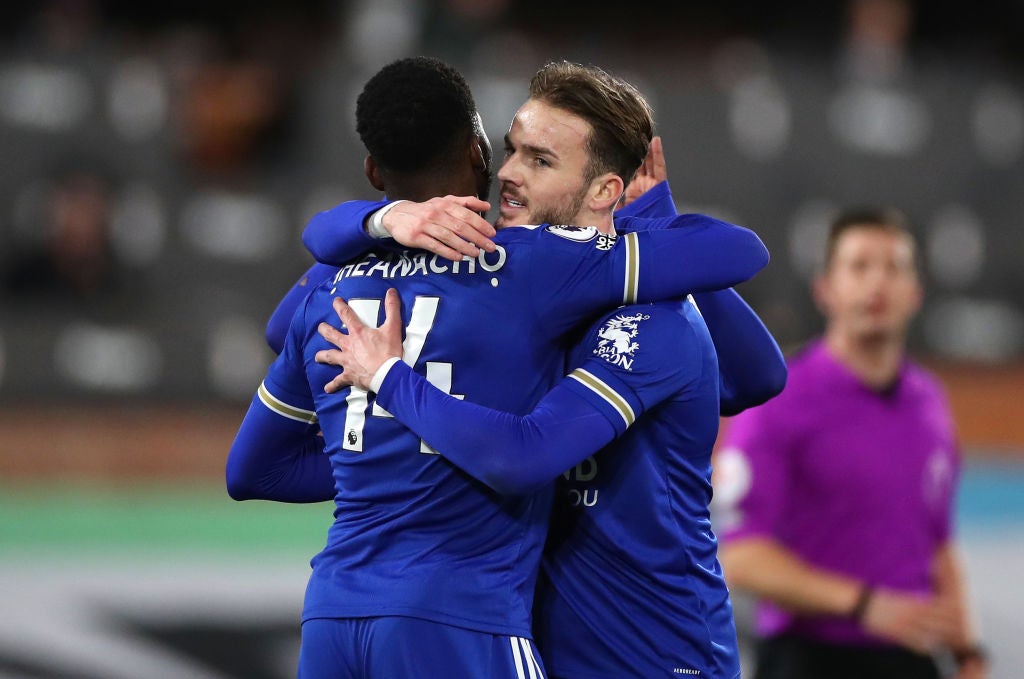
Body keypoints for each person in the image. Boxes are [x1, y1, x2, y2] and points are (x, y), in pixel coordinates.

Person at [227, 57, 769, 678]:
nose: (508, 174)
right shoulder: (514, 274)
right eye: (510, 149)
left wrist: (376, 233)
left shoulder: (636, 312)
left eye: (540, 160)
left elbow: (755, 370)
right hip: (507, 631)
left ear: (603, 191)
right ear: (479, 149)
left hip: (651, 658)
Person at [714, 207, 989, 679]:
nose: (877, 283)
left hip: (911, 657)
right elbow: (740, 555)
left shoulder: (929, 404)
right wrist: (864, 605)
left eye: (893, 267)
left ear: (915, 292)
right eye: (859, 266)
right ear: (826, 289)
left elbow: (939, 542)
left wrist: (968, 652)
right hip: (808, 659)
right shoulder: (779, 398)